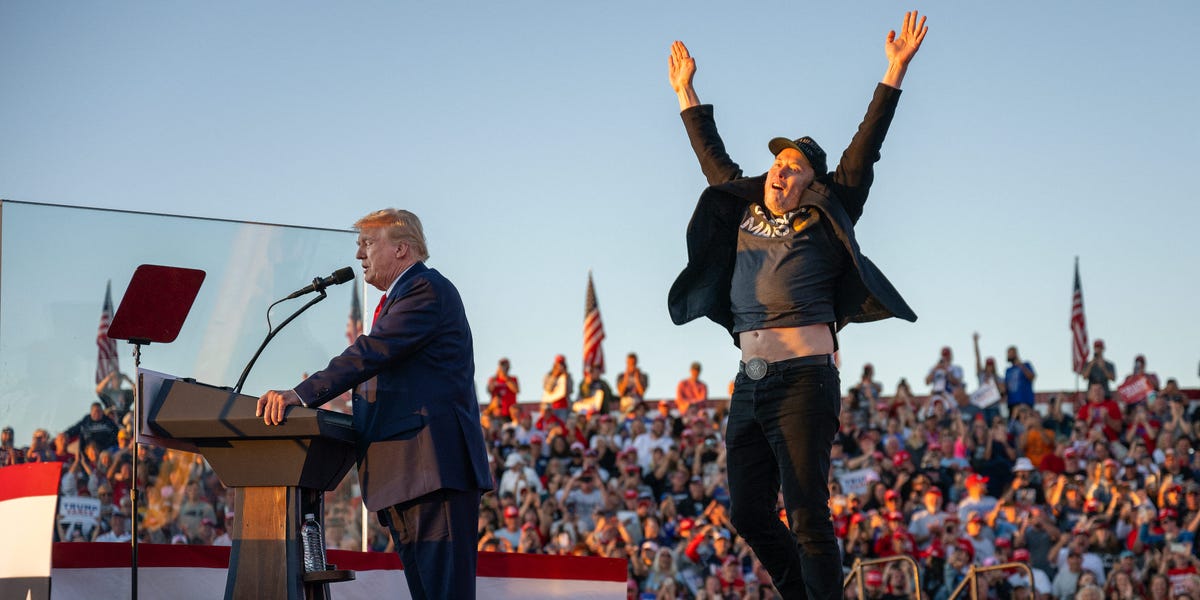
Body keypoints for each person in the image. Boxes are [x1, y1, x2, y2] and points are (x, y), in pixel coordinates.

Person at [666, 11, 927, 599]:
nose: (780, 169)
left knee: (808, 514)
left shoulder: (825, 210)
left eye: (794, 166)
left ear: (811, 182)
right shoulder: (742, 203)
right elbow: (711, 156)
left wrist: (895, 69)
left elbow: (866, 148)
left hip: (805, 380)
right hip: (749, 379)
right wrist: (685, 91)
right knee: (749, 514)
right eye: (778, 162)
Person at [256, 208, 492, 599]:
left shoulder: (425, 290)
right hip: (408, 475)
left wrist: (301, 395)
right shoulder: (401, 297)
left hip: (433, 473)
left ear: (402, 248)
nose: (359, 255)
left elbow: (370, 353)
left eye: (367, 243)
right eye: (358, 245)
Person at [486, 357, 520, 423]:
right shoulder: (493, 379)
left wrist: (505, 377)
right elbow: (489, 390)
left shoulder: (513, 379)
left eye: (505, 365)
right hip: (497, 413)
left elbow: (516, 390)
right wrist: (497, 375)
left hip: (509, 413)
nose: (504, 368)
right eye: (502, 365)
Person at [1004, 345, 1037, 411]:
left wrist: (1020, 365)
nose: (1008, 355)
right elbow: (1006, 387)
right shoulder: (1008, 370)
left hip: (1025, 401)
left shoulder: (1026, 364)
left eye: (1009, 353)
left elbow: (1032, 377)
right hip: (1012, 403)